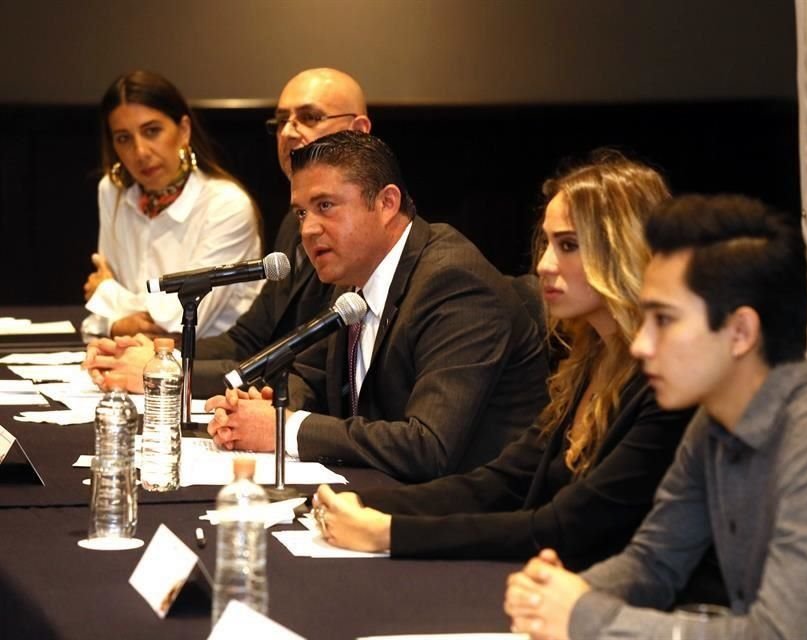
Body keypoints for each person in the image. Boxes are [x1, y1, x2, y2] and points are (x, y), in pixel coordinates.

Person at [504, 195, 807, 639]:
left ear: (740, 332)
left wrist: (584, 617)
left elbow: (777, 634)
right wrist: (561, 595)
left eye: (664, 320)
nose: (641, 345)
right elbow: (653, 561)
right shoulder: (715, 421)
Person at [308, 152, 712, 575]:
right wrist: (356, 501)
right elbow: (499, 484)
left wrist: (388, 533)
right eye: (548, 243)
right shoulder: (588, 366)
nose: (544, 265)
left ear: (623, 251)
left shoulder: (665, 386)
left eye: (568, 245)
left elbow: (564, 528)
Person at [205, 130, 549, 482]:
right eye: (301, 213)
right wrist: (261, 408)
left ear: (387, 203)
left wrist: (284, 427)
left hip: (467, 512)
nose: (307, 229)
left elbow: (428, 446)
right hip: (383, 491)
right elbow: (310, 375)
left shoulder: (454, 283)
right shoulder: (352, 276)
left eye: (325, 206)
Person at [83, 68, 370, 397]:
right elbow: (247, 338)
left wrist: (168, 371)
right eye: (281, 121)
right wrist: (165, 356)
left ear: (358, 130)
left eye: (309, 117)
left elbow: (310, 371)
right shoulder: (294, 223)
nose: (290, 131)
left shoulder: (364, 228)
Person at [83, 70, 261, 340]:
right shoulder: (112, 191)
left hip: (213, 365)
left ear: (184, 130)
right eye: (123, 138)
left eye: (152, 131)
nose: (140, 152)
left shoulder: (226, 205)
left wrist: (107, 294)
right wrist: (116, 320)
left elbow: (186, 320)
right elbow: (101, 318)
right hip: (136, 358)